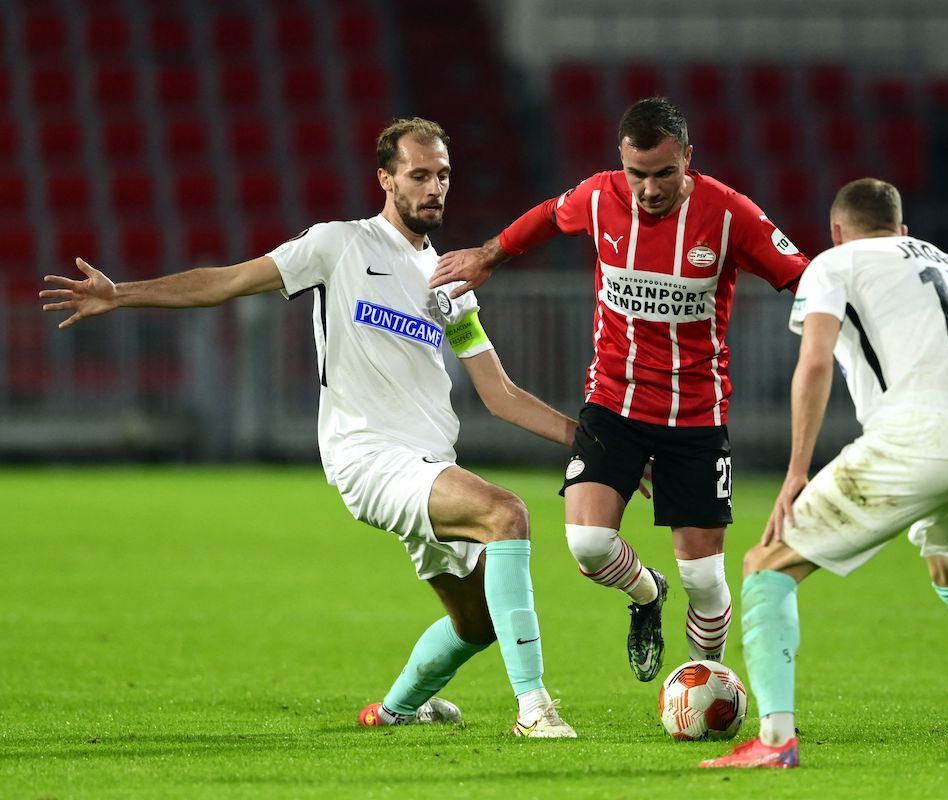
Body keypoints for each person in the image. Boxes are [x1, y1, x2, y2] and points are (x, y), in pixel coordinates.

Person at [40, 118, 578, 738]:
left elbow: (500, 393)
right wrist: (121, 293)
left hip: (430, 464)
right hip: (368, 457)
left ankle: (396, 711)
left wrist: (591, 446)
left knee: (479, 623)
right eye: (419, 175)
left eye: (444, 176)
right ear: (386, 179)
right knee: (506, 514)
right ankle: (534, 710)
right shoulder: (339, 245)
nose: (435, 188)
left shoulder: (450, 281)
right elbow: (230, 279)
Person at [429, 97, 810, 683]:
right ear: (621, 164)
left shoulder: (732, 215)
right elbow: (549, 218)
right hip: (614, 400)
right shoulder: (598, 195)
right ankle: (645, 592)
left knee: (704, 579)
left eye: (664, 174)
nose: (650, 189)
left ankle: (707, 684)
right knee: (586, 542)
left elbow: (803, 277)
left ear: (688, 157)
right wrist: (488, 256)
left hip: (696, 415)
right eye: (638, 174)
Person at [700, 179, 948, 769]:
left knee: (766, 565)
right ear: (903, 231)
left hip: (918, 440)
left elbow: (814, 362)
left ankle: (774, 739)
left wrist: (796, 472)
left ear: (837, 231)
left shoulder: (834, 262)